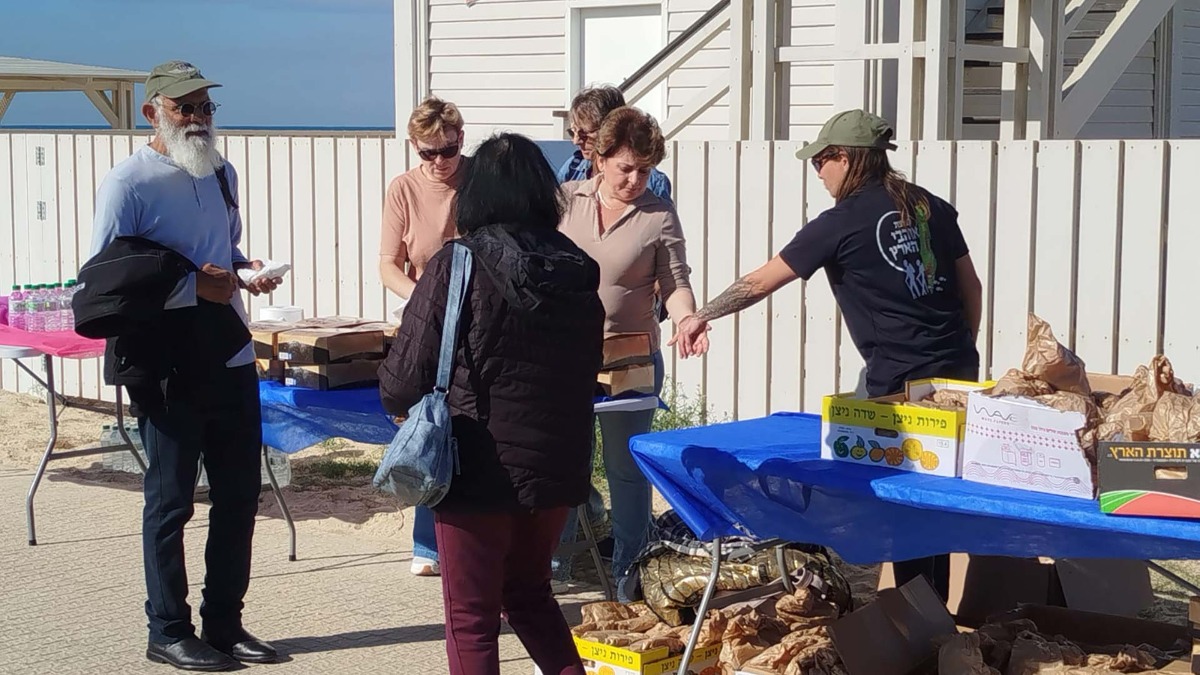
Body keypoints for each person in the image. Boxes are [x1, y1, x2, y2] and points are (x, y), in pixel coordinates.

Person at [671, 109, 984, 600]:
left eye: (820, 161)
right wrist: (962, 352)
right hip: (956, 374)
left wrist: (701, 314)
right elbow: (972, 287)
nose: (817, 172)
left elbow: (761, 281)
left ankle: (916, 616)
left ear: (844, 158)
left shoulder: (840, 223)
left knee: (897, 501)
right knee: (933, 500)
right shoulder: (930, 207)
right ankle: (928, 611)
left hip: (898, 383)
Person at [378, 132, 604, 675]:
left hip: (477, 465)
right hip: (556, 464)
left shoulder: (459, 263)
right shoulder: (577, 268)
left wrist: (395, 396)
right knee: (530, 596)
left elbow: (404, 377)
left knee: (471, 616)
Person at [88, 60, 279, 671]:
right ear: (153, 114)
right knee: (171, 501)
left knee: (239, 494)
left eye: (206, 108)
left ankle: (223, 623)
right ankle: (167, 628)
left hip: (228, 350)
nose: (199, 119)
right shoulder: (129, 182)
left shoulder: (222, 171)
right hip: (167, 361)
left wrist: (247, 272)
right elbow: (104, 284)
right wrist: (193, 288)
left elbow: (223, 250)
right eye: (184, 108)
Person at [558, 106, 704, 601]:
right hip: (565, 360)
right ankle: (552, 567)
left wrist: (686, 318)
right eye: (625, 167)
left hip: (631, 361)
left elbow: (676, 283)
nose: (635, 179)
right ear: (600, 159)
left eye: (644, 169)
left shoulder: (659, 212)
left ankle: (629, 573)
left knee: (625, 469)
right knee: (560, 465)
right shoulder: (563, 200)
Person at [379, 95, 469, 577]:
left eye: (447, 152)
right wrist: (422, 299)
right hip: (426, 316)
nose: (438, 163)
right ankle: (427, 541)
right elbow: (387, 263)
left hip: (478, 315)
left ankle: (464, 540)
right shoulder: (404, 189)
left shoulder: (479, 180)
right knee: (428, 421)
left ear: (462, 140)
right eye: (426, 154)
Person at [557, 86, 673, 203]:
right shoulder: (573, 167)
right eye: (572, 132)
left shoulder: (653, 182)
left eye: (585, 133)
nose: (576, 141)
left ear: (610, 129)